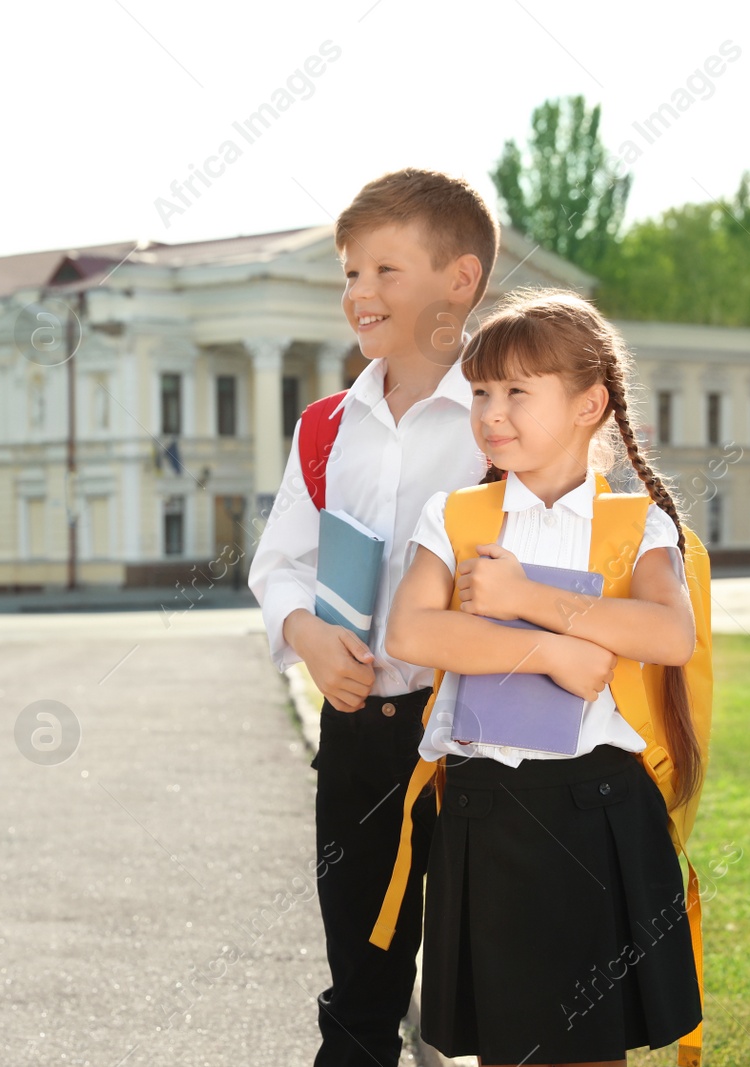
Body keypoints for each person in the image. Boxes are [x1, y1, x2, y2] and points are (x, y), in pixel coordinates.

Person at [385, 290, 705, 1066]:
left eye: (517, 391)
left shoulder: (637, 526)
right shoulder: (456, 516)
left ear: (589, 403)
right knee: (507, 1053)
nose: (492, 412)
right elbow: (412, 630)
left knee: (590, 1050)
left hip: (594, 811)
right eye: (482, 392)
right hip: (481, 809)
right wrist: (552, 652)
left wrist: (525, 598)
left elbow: (669, 633)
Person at [247, 168, 499, 1067]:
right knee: (359, 988)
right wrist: (309, 638)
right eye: (350, 274)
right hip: (358, 736)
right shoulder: (325, 426)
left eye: (386, 271)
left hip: (480, 739)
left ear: (459, 280)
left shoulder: (500, 419)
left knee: (487, 993)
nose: (360, 294)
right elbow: (278, 564)